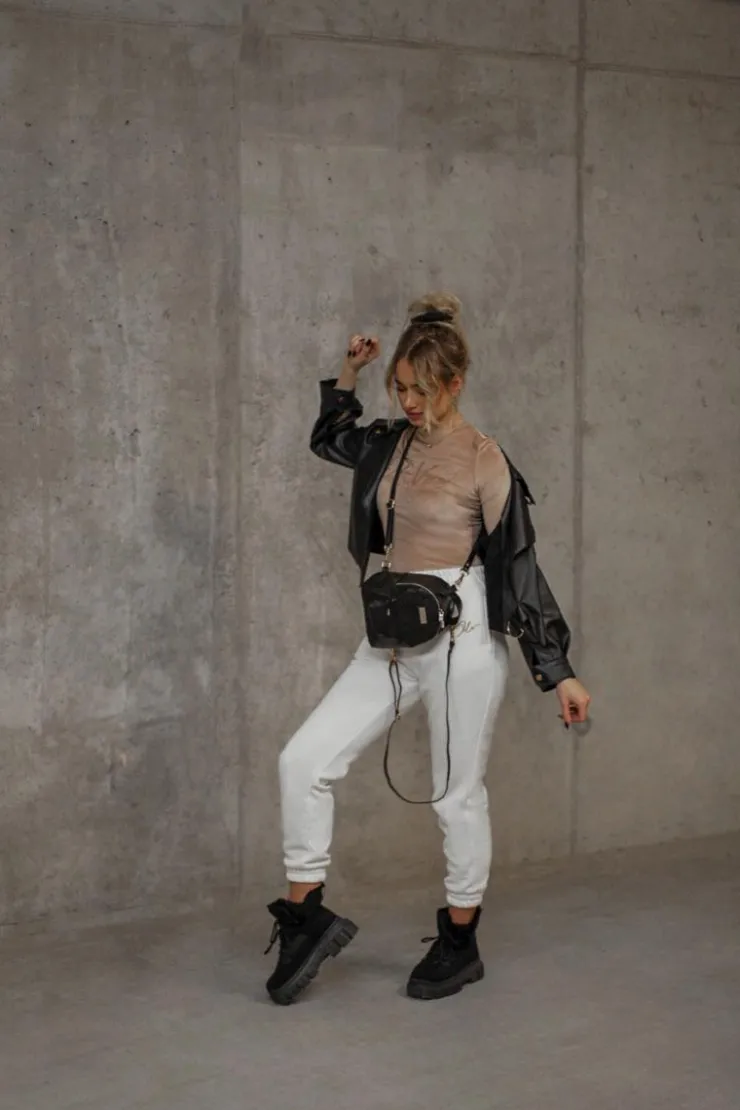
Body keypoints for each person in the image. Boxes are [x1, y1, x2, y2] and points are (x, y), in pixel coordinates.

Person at [264, 293, 591, 1006]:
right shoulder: (388, 442)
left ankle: (459, 941)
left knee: (454, 796)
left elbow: (521, 569)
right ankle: (305, 918)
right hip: (389, 632)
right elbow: (328, 437)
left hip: (461, 637)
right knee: (303, 761)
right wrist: (349, 374)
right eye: (400, 388)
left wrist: (558, 671)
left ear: (455, 384)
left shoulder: (485, 460)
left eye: (420, 389)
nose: (408, 401)